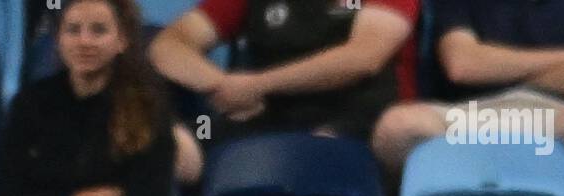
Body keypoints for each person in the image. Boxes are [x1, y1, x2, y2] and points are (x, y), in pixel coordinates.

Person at [0, 0, 180, 196]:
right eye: (73, 30)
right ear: (58, 39)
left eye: (98, 30)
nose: (84, 41)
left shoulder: (148, 107)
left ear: (123, 40)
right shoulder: (31, 104)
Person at [373, 0, 564, 186]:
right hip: (474, 112)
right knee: (398, 127)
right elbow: (462, 66)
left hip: (557, 113)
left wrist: (495, 65)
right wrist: (562, 59)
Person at [148, 0, 420, 141]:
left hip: (356, 115)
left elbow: (364, 57)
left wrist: (256, 85)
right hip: (264, 116)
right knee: (176, 145)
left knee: (314, 154)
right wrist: (220, 84)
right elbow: (169, 45)